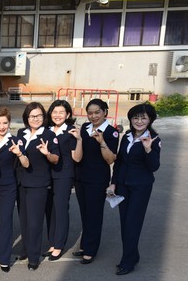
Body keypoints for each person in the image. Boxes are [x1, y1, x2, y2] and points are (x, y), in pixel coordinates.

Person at [108, 103, 161, 275]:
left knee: (133, 223)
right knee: (125, 222)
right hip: (123, 185)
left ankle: (128, 261)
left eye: (143, 118)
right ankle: (133, 255)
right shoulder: (127, 136)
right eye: (135, 117)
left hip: (141, 187)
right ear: (131, 119)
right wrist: (113, 182)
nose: (139, 121)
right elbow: (120, 162)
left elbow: (154, 167)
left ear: (150, 120)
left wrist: (148, 149)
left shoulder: (154, 139)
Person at [72, 99, 118, 264]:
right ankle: (85, 245)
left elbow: (110, 160)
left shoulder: (111, 132)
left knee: (94, 215)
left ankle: (91, 250)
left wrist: (102, 142)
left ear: (105, 112)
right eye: (90, 113)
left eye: (97, 112)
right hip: (81, 179)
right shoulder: (85, 128)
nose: (93, 116)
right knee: (85, 214)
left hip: (97, 180)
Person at [16, 102, 60, 270]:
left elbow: (56, 159)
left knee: (35, 222)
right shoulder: (22, 133)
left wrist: (47, 153)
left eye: (39, 116)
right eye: (33, 116)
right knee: (25, 220)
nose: (36, 119)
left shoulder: (48, 135)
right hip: (22, 183)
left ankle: (34, 257)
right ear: (27, 118)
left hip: (38, 184)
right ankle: (26, 249)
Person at [0, 107, 28, 272]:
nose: (2, 126)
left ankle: (4, 258)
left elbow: (26, 164)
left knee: (5, 221)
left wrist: (19, 154)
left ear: (9, 123)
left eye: (5, 123)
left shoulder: (16, 141)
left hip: (8, 186)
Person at [43, 100, 83, 261]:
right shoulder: (45, 130)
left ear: (67, 115)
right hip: (46, 175)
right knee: (49, 210)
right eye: (55, 112)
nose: (57, 115)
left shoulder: (71, 132)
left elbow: (77, 158)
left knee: (60, 210)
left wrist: (79, 140)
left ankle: (59, 245)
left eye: (61, 112)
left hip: (64, 175)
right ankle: (52, 242)